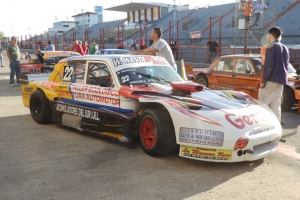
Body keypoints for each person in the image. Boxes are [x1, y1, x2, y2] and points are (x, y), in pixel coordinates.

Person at [258, 26, 289, 123]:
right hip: (281, 80)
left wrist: (263, 81)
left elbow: (268, 65)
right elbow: (286, 65)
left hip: (271, 79)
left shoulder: (271, 46)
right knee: (276, 105)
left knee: (262, 103)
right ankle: (276, 127)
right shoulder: (285, 47)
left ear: (271, 35)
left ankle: (264, 126)